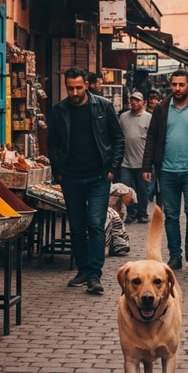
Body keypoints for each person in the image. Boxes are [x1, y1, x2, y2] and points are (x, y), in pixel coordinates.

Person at [47, 67, 125, 294]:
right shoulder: (59, 110)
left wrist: (112, 169)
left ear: (87, 85)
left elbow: (118, 138)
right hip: (70, 177)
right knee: (78, 227)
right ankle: (82, 269)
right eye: (70, 88)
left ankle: (94, 275)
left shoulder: (103, 106)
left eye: (78, 87)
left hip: (98, 177)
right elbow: (52, 143)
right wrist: (58, 170)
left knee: (95, 223)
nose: (74, 92)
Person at [142, 69, 188, 271]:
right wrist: (147, 165)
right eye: (174, 84)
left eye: (181, 85)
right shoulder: (162, 108)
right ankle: (175, 255)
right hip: (166, 170)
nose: (177, 88)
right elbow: (152, 138)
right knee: (171, 214)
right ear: (170, 85)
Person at [119, 92, 152, 224]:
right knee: (126, 190)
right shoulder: (123, 117)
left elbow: (152, 140)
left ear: (143, 102)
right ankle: (131, 212)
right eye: (132, 100)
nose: (134, 103)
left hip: (142, 162)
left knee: (142, 190)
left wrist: (149, 162)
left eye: (137, 101)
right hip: (125, 162)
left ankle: (142, 213)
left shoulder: (149, 117)